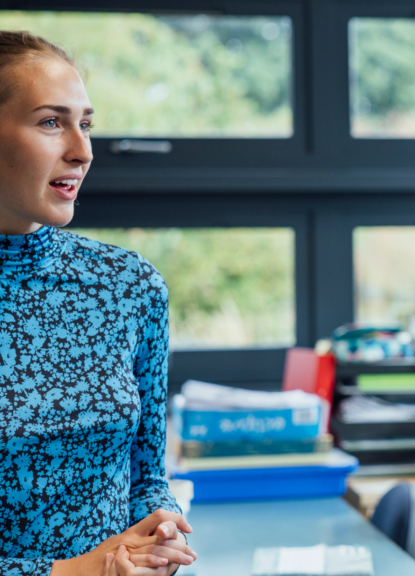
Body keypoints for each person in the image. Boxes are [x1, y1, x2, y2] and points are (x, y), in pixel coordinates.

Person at [0, 31, 197, 575]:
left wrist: (161, 532)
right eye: (50, 122)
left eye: (84, 123)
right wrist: (70, 572)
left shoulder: (130, 285)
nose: (82, 151)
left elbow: (146, 476)